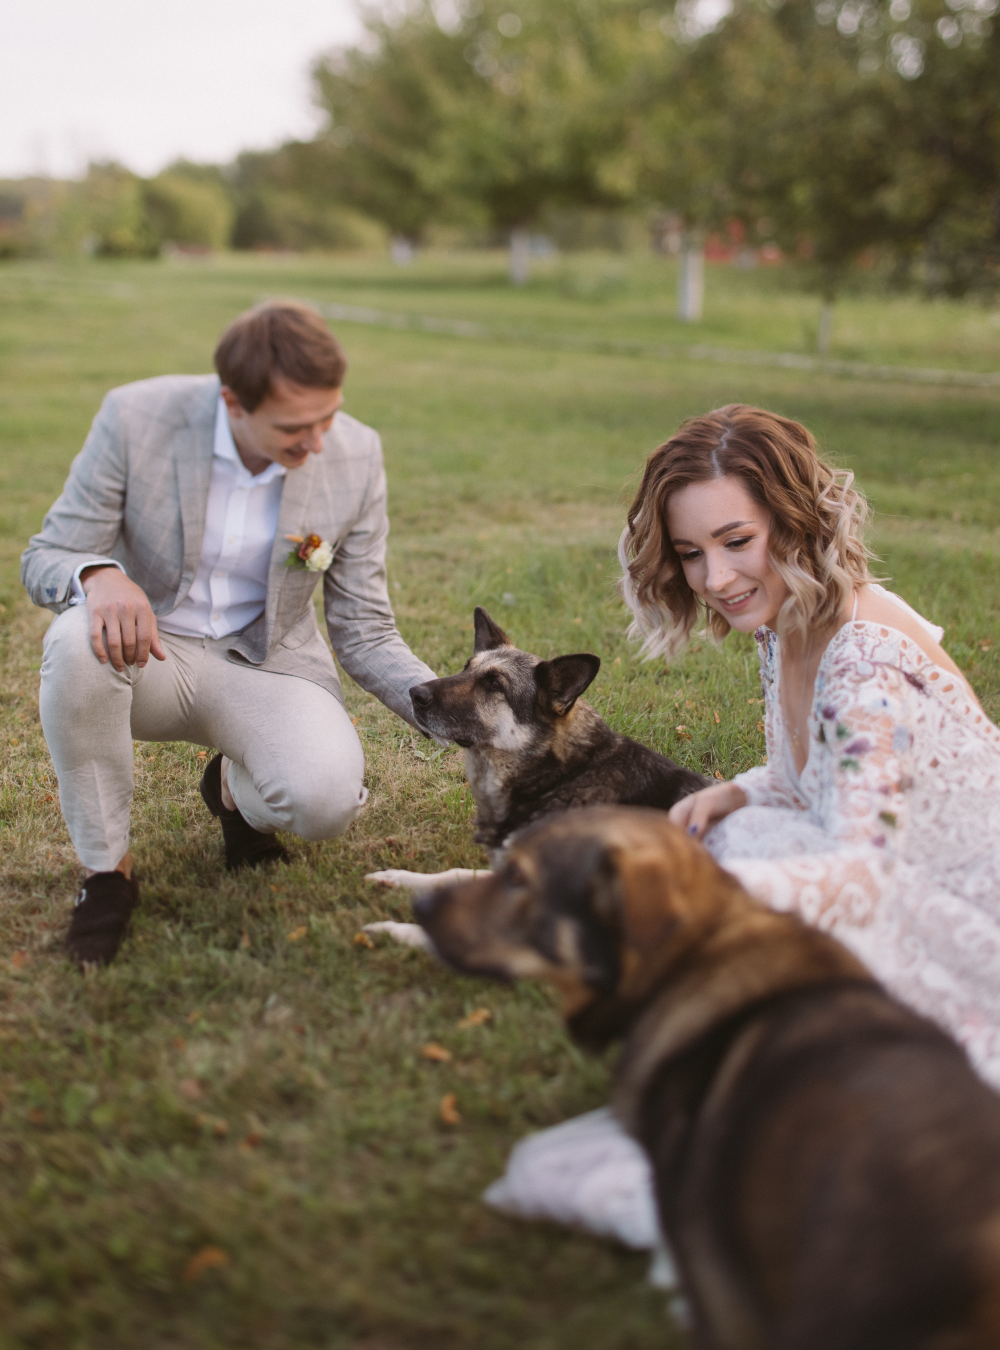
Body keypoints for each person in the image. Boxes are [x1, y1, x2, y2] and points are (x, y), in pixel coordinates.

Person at [482, 401, 1000, 1267]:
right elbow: (814, 774)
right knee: (733, 831)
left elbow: (866, 873)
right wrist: (739, 789)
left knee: (725, 869)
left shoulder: (864, 658)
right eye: (690, 553)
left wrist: (687, 899)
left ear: (796, 521)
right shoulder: (792, 622)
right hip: (901, 882)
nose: (715, 578)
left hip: (961, 928)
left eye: (736, 541)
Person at [22, 299, 436, 969]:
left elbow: (364, 627)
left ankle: (231, 796)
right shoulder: (135, 419)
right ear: (233, 404)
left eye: (328, 417)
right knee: (76, 643)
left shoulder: (356, 454)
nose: (317, 443)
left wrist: (448, 708)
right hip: (148, 656)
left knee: (325, 802)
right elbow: (46, 556)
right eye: (294, 427)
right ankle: (106, 874)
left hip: (267, 663)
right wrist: (98, 575)